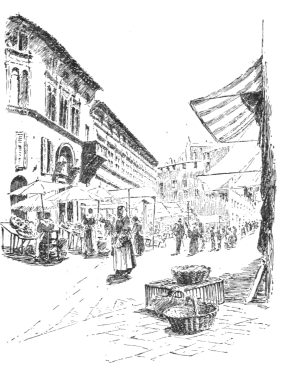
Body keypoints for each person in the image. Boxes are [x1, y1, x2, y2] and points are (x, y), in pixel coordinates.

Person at [112, 206, 136, 277]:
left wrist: (120, 237)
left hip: (125, 238)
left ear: (124, 211)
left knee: (125, 254)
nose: (120, 212)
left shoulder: (126, 219)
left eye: (122, 211)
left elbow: (125, 229)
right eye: (119, 211)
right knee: (119, 253)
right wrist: (116, 235)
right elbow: (116, 229)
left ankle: (125, 269)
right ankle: (119, 268)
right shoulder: (117, 219)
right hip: (119, 238)